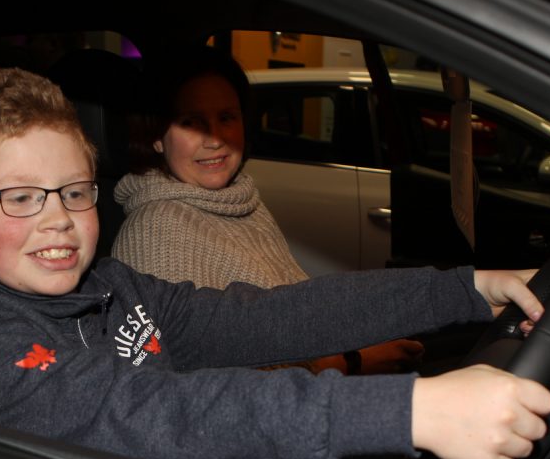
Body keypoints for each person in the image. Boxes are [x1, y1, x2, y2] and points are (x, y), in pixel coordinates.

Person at [0, 66, 550, 459]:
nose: (57, 218)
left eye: (75, 191)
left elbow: (270, 315)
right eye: (20, 197)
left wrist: (466, 288)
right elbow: (156, 411)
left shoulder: (114, 288)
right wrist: (412, 410)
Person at [112, 46, 421, 375]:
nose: (214, 138)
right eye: (191, 122)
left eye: (226, 118)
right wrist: (351, 362)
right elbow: (206, 385)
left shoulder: (242, 202)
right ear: (157, 137)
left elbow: (293, 313)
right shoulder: (155, 231)